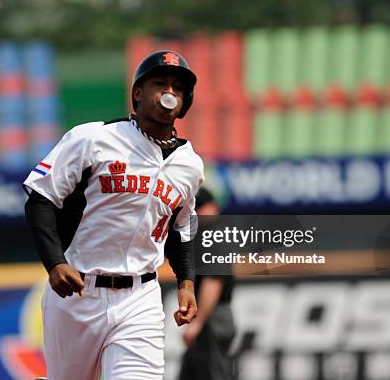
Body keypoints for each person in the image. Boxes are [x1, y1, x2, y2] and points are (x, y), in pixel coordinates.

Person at [23, 50, 205, 380]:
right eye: (160, 83)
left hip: (141, 297)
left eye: (178, 88)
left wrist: (187, 281)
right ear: (138, 92)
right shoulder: (94, 138)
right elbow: (40, 199)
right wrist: (55, 263)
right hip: (80, 292)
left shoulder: (189, 164)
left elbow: (183, 225)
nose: (169, 93)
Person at [178, 187, 236, 380]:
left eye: (200, 208)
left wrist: (198, 323)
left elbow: (213, 282)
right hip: (208, 315)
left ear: (213, 208)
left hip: (212, 316)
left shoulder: (214, 237)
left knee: (212, 373)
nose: (196, 213)